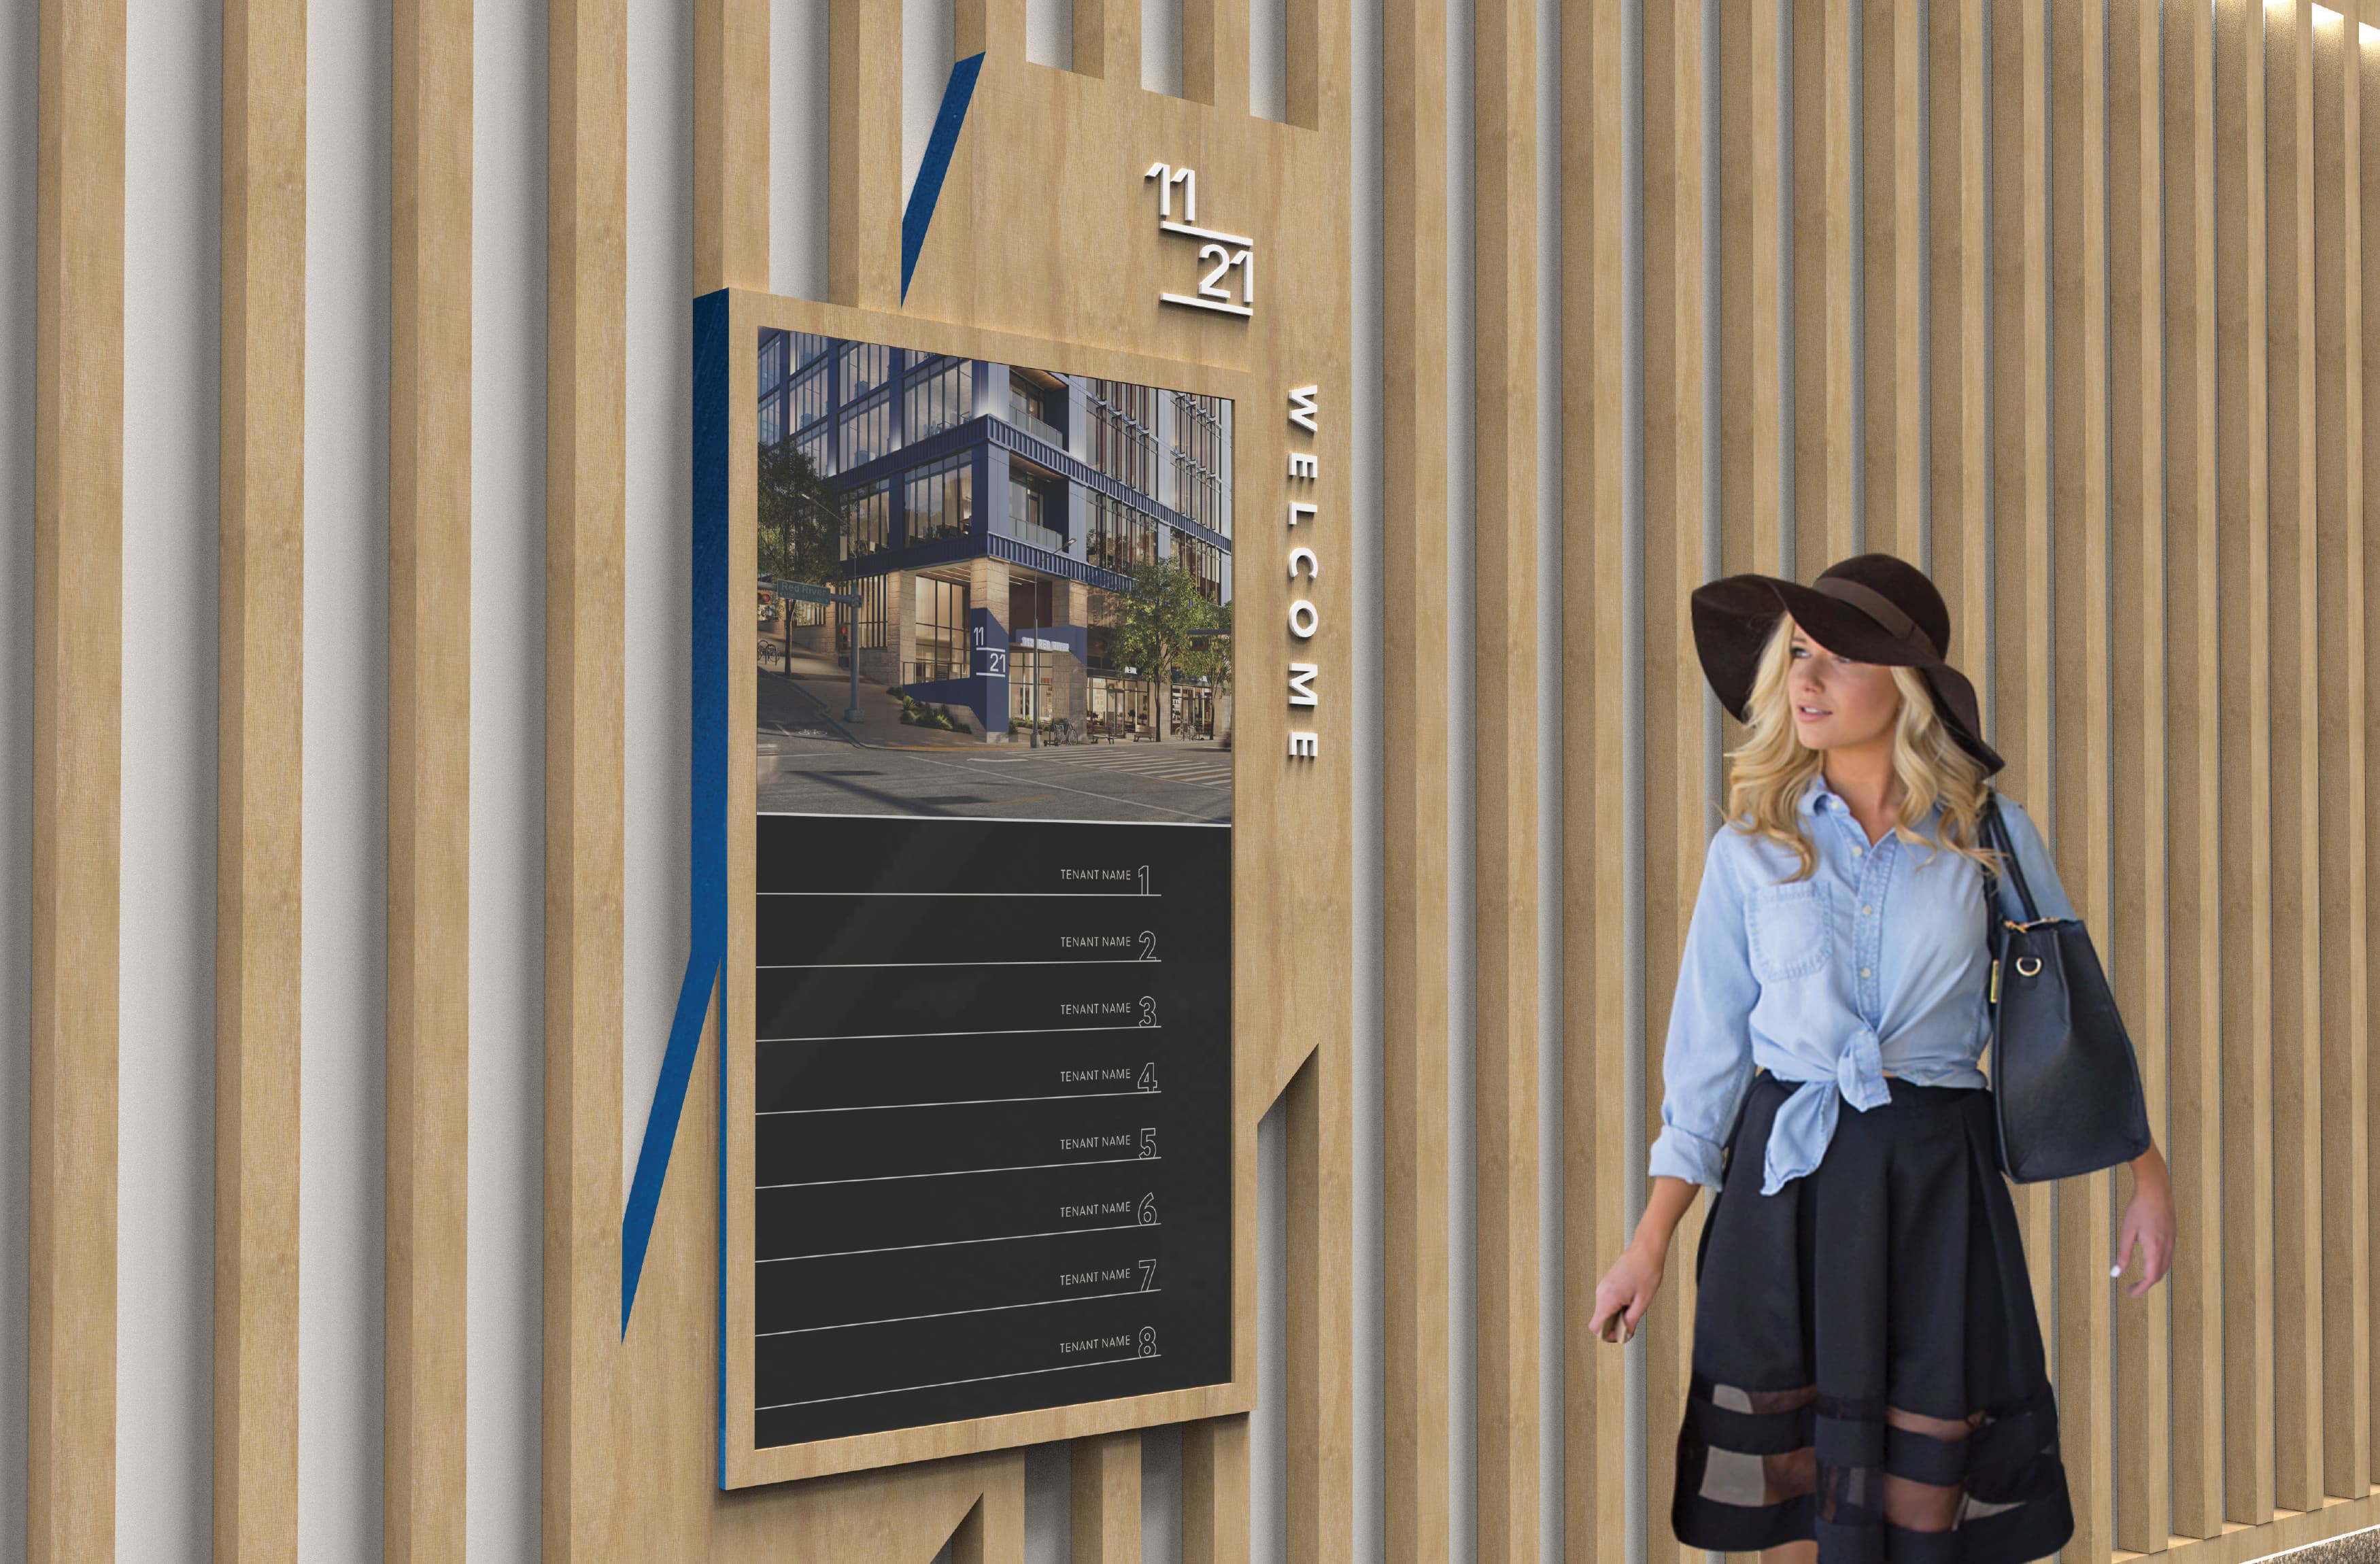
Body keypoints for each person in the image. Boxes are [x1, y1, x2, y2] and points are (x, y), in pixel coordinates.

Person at [1584, 554, 2177, 1564]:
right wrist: (1649, 1240)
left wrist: (2147, 1175)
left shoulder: (1988, 834)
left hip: (1937, 1190)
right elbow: (1707, 1063)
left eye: (1838, 659)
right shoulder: (1748, 849)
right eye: (1798, 654)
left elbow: (2074, 1017)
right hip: (1787, 1192)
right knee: (1789, 1507)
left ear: (1903, 685)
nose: (1804, 681)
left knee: (1924, 1506)